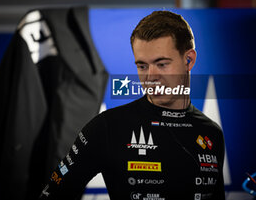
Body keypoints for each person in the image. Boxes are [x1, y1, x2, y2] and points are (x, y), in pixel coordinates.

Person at [38, 10, 225, 200]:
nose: (151, 77)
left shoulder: (212, 133)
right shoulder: (108, 127)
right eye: (142, 66)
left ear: (189, 60)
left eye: (162, 64)